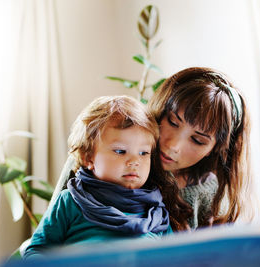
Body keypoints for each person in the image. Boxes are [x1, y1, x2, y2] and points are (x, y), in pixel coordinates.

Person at [51, 67, 252, 231]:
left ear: (216, 149)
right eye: (173, 122)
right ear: (159, 108)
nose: (173, 145)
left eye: (197, 140)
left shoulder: (209, 192)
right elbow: (48, 236)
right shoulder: (99, 156)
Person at [23, 95, 172, 259]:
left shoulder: (156, 213)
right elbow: (37, 251)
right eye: (120, 151)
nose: (135, 161)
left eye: (144, 153)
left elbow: (176, 259)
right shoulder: (70, 201)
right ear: (88, 158)